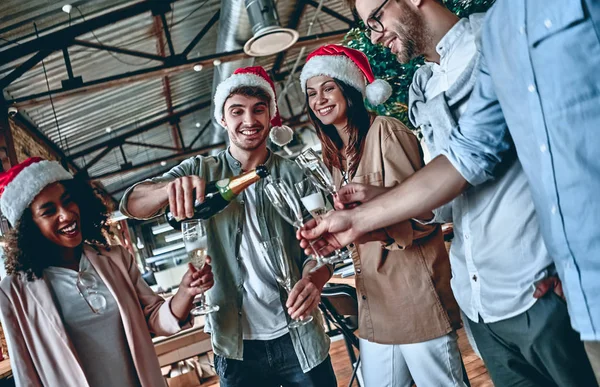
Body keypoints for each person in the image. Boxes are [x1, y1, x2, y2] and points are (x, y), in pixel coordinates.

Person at [300, 0, 600, 383]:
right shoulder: (427, 84)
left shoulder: (493, 40)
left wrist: (567, 260)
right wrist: (370, 209)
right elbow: (461, 171)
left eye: (376, 18)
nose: (374, 37)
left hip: (538, 290)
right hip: (480, 303)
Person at [120, 66, 336, 387]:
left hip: (300, 337)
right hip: (235, 345)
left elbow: (324, 248)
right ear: (223, 119)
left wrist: (314, 280)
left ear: (270, 114)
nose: (249, 121)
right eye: (237, 111)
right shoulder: (200, 170)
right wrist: (169, 189)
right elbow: (131, 203)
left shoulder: (293, 174)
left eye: (258, 110)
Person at [299, 44, 466, 386]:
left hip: (415, 297)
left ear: (350, 89)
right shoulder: (336, 158)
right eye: (312, 93)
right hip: (375, 306)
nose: (320, 100)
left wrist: (364, 229)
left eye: (328, 88)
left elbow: (425, 216)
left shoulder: (386, 131)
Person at [0, 157, 214, 387]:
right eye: (48, 211)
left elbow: (154, 319)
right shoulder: (14, 293)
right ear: (30, 227)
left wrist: (186, 291)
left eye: (68, 201)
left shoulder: (116, 259)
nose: (66, 214)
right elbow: (25, 374)